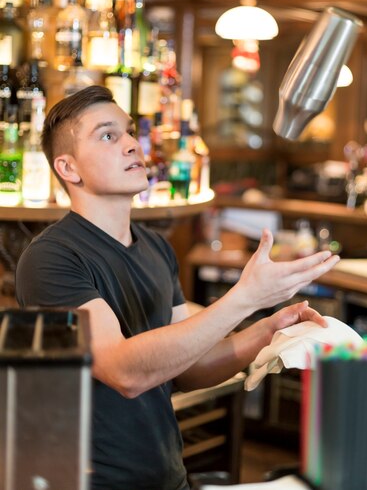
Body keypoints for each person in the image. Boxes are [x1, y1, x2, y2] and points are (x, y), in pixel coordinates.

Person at [15, 86, 339, 490]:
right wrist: (245, 298)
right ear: (68, 168)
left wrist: (269, 330)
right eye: (108, 135)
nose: (133, 144)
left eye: (130, 132)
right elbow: (122, 371)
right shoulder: (50, 259)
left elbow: (190, 365)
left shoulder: (155, 246)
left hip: (167, 477)